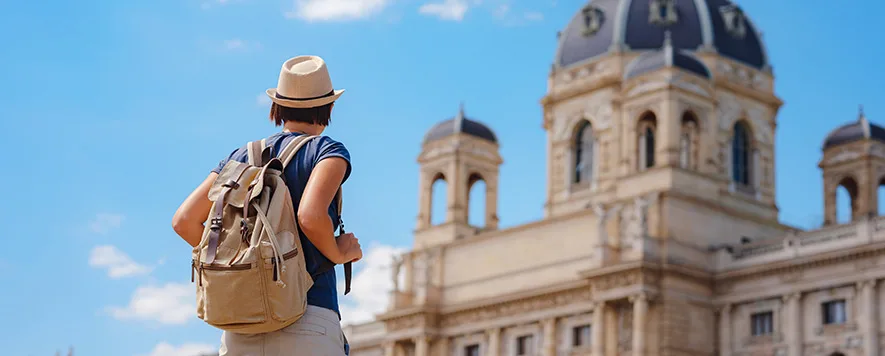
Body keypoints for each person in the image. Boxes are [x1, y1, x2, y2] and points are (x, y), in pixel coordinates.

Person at [172, 55, 363, 356]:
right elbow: (310, 217)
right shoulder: (327, 151)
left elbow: (184, 221)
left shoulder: (239, 158)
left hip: (241, 325)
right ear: (329, 107)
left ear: (277, 106)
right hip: (308, 318)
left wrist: (246, 262)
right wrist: (339, 252)